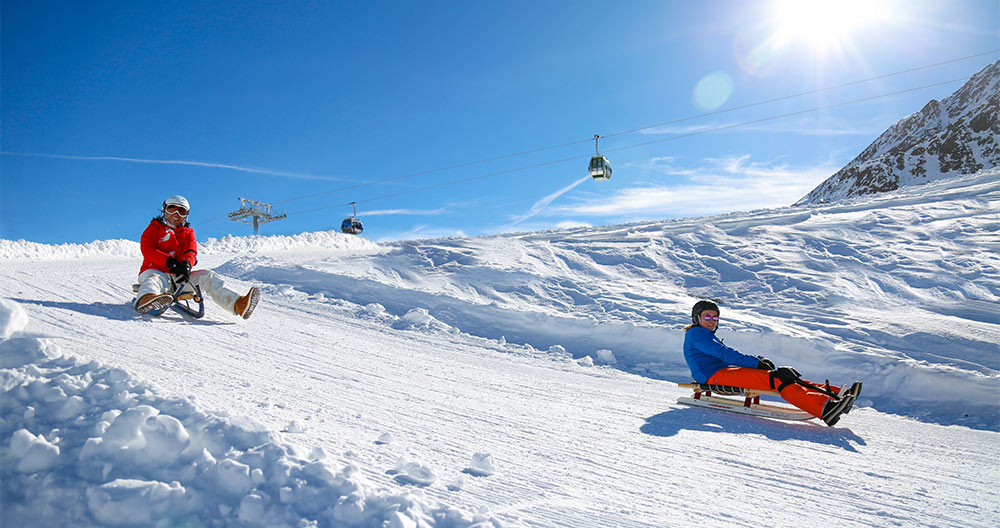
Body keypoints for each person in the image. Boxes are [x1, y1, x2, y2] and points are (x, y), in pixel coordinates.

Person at [682, 300, 861, 426]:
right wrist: (755, 363)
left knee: (782, 377)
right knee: (777, 379)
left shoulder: (703, 334)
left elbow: (725, 356)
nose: (712, 321)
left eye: (715, 318)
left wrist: (758, 361)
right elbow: (724, 354)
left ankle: (835, 395)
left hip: (722, 372)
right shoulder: (696, 334)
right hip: (713, 377)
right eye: (707, 317)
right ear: (696, 318)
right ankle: (824, 409)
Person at [135, 195, 260, 320]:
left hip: (178, 278)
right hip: (155, 271)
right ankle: (147, 299)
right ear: (165, 210)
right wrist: (168, 261)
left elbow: (191, 251)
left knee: (208, 276)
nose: (177, 214)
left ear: (186, 215)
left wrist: (187, 264)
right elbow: (148, 249)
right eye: (172, 210)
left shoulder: (188, 232)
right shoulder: (155, 227)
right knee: (155, 279)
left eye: (182, 212)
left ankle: (238, 304)